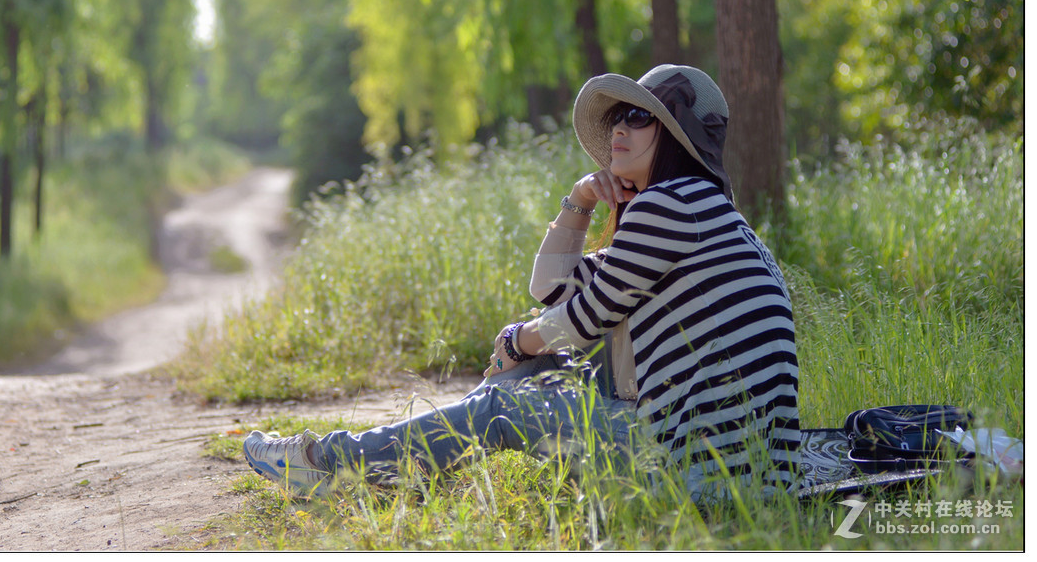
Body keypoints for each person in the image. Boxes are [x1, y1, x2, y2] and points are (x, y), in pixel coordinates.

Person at [243, 65, 801, 499]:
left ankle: (332, 463)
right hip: (743, 468)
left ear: (675, 137)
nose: (620, 130)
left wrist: (514, 342)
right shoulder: (702, 213)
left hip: (692, 470)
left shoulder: (668, 206)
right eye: (619, 118)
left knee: (503, 405)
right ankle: (396, 461)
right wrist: (580, 199)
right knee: (528, 375)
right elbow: (553, 288)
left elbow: (581, 323)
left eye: (640, 118)